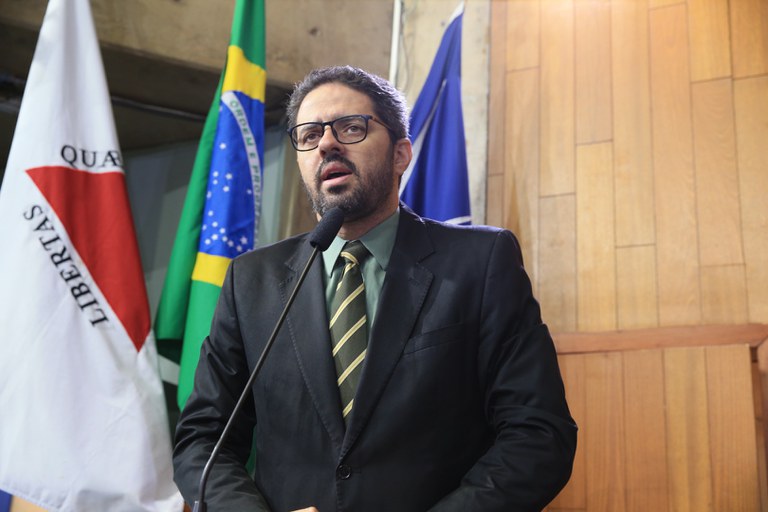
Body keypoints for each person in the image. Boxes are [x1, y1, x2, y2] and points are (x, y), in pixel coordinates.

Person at [173, 65, 577, 512]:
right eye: (309, 135)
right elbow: (202, 440)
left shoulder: (480, 264)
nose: (326, 144)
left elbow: (539, 434)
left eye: (351, 127)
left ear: (401, 154)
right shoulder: (251, 281)